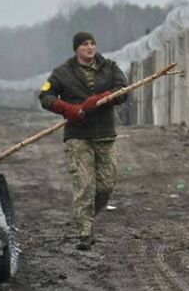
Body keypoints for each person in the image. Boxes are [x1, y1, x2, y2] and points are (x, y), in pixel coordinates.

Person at [39, 31, 129, 251]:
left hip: (104, 134)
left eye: (92, 43)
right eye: (85, 44)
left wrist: (103, 98)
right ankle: (84, 233)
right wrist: (66, 109)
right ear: (76, 49)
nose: (90, 47)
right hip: (78, 136)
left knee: (106, 185)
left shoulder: (109, 67)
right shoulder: (62, 72)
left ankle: (86, 215)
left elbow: (123, 90)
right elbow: (45, 96)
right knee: (84, 184)